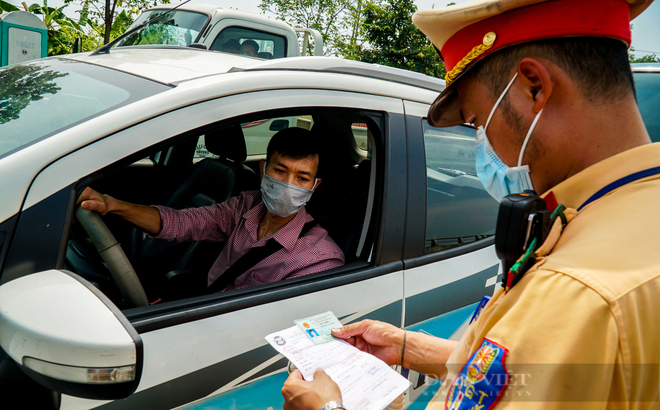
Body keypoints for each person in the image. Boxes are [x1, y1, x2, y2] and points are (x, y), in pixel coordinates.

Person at [281, 0, 659, 409]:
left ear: (535, 87)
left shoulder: (574, 290)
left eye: (478, 122)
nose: (482, 145)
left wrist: (328, 408)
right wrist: (408, 347)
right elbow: (534, 371)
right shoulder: (627, 217)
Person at [78, 127, 344, 293]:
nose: (287, 186)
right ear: (263, 170)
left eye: (301, 178)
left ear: (314, 185)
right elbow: (182, 222)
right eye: (280, 171)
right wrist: (113, 205)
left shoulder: (319, 259)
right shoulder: (245, 205)